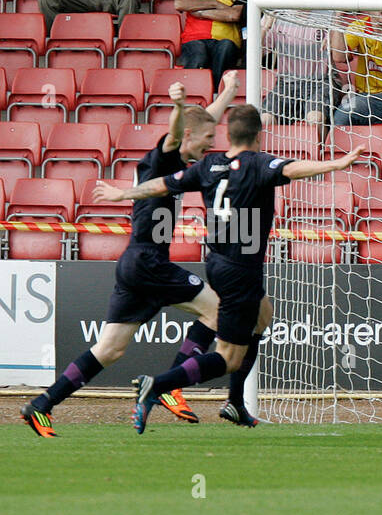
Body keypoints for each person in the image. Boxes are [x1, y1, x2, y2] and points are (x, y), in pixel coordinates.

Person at [93, 105, 363, 432]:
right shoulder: (257, 163)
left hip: (219, 261)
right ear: (259, 135)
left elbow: (162, 184)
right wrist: (337, 163)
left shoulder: (209, 164)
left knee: (263, 315)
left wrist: (123, 193)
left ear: (228, 134)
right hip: (241, 268)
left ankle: (235, 403)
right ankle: (160, 385)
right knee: (228, 358)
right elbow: (292, 169)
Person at [20, 75, 241, 438]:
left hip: (135, 265)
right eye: (206, 142)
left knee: (109, 350)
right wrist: (177, 107)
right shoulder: (163, 159)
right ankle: (170, 387)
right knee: (219, 310)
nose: (210, 147)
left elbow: (201, 123)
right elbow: (178, 133)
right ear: (187, 137)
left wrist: (228, 93)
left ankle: (41, 405)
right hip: (149, 262)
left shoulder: (184, 151)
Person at [258, 0, 336, 125]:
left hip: (319, 82)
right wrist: (265, 27)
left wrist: (334, 34)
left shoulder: (328, 15)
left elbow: (340, 56)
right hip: (285, 83)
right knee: (265, 119)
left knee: (316, 119)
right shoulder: (277, 15)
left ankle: (320, 150)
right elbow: (257, 55)